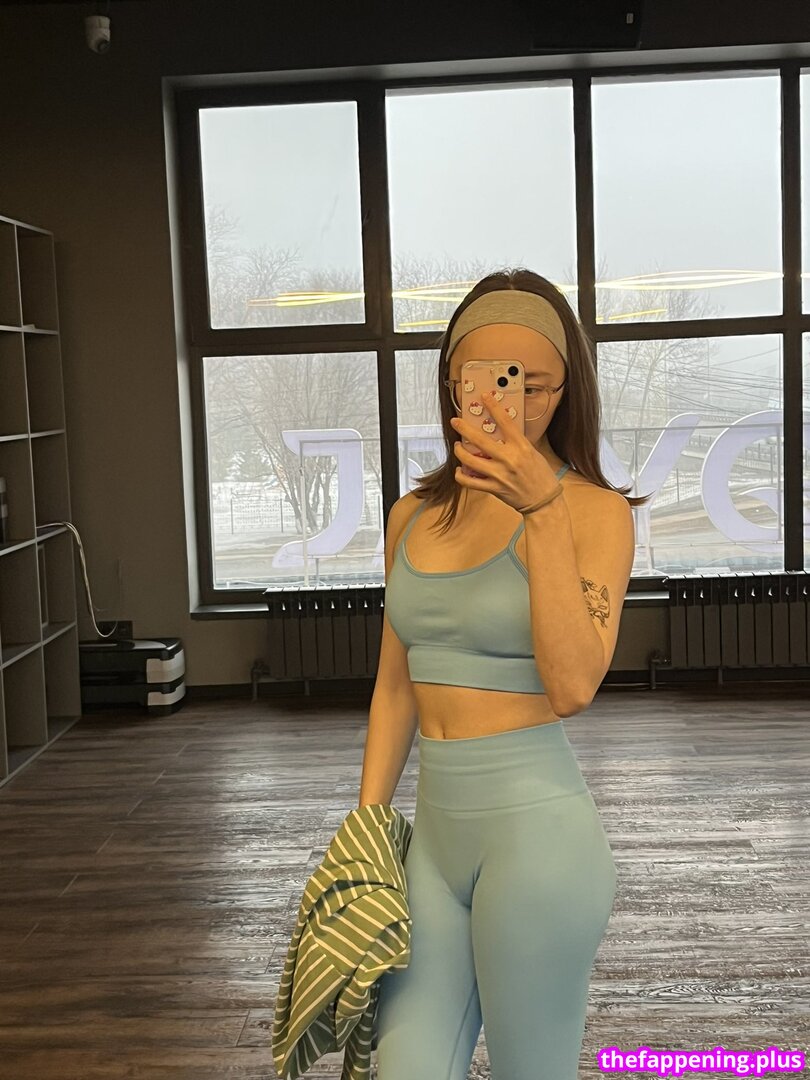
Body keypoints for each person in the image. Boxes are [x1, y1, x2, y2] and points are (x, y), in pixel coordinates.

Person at [358, 268, 649, 1080]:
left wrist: (542, 510)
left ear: (565, 390)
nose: (504, 401)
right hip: (432, 844)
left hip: (539, 844)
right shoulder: (412, 515)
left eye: (532, 384)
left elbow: (573, 686)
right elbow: (395, 685)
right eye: (480, 379)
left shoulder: (594, 512)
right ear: (453, 383)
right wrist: (366, 829)